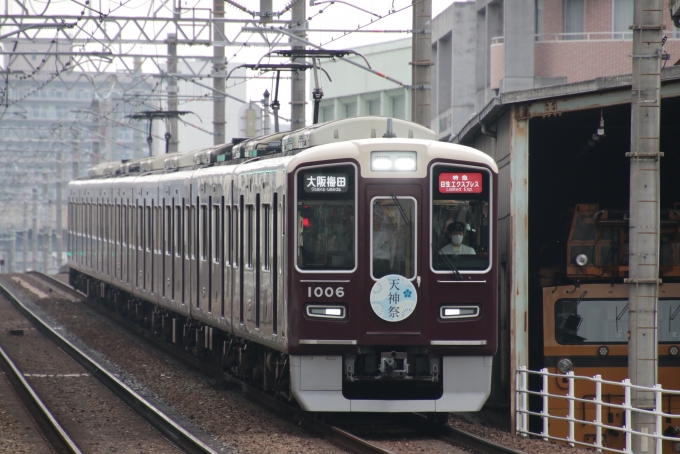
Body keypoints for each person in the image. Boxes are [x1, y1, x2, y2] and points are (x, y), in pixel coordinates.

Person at [372, 208, 396, 277]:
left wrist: (390, 266)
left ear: (381, 218)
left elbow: (393, 250)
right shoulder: (366, 232)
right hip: (368, 265)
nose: (374, 218)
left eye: (377, 216)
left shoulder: (389, 232)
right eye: (373, 215)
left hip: (383, 265)